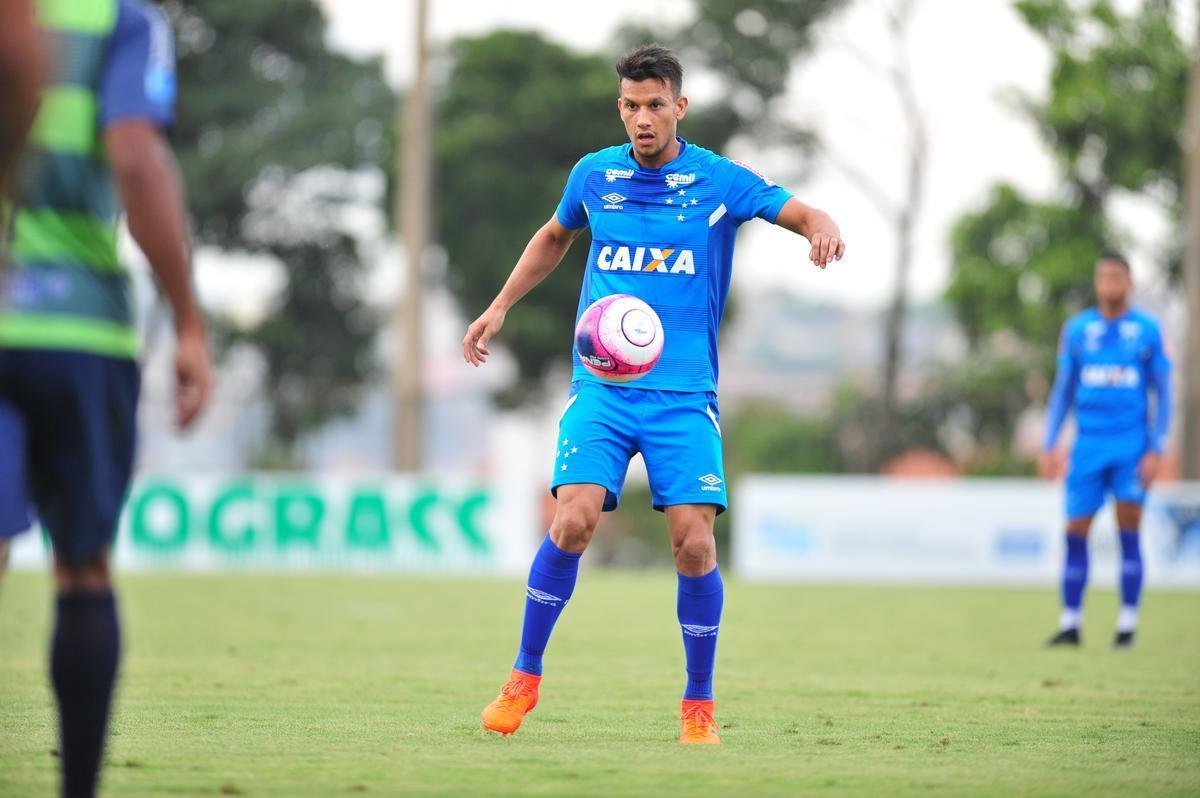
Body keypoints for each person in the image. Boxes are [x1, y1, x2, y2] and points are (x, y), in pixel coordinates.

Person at [462, 44, 845, 744]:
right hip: (603, 390)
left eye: (655, 105)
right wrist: (499, 307)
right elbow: (553, 236)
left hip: (682, 396)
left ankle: (698, 707)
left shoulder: (718, 180)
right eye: (632, 106)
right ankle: (522, 681)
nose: (643, 118)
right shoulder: (593, 175)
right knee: (571, 520)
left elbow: (791, 208)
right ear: (621, 109)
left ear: (679, 107)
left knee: (694, 544)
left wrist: (819, 225)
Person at [0, 1, 212, 795]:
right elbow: (136, 158)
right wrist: (189, 320)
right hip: (78, 329)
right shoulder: (122, 18)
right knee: (83, 568)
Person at [1039, 252, 1172, 649]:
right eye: (1104, 277)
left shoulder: (1147, 330)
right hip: (1087, 446)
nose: (1110, 283)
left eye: (1117, 276)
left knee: (1128, 531)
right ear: (1097, 283)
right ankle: (1070, 623)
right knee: (1075, 532)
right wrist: (1050, 443)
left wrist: (1157, 447)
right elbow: (1063, 390)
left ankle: (1127, 626)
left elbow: (1164, 393)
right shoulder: (1078, 329)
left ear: (1129, 282)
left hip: (1131, 445)